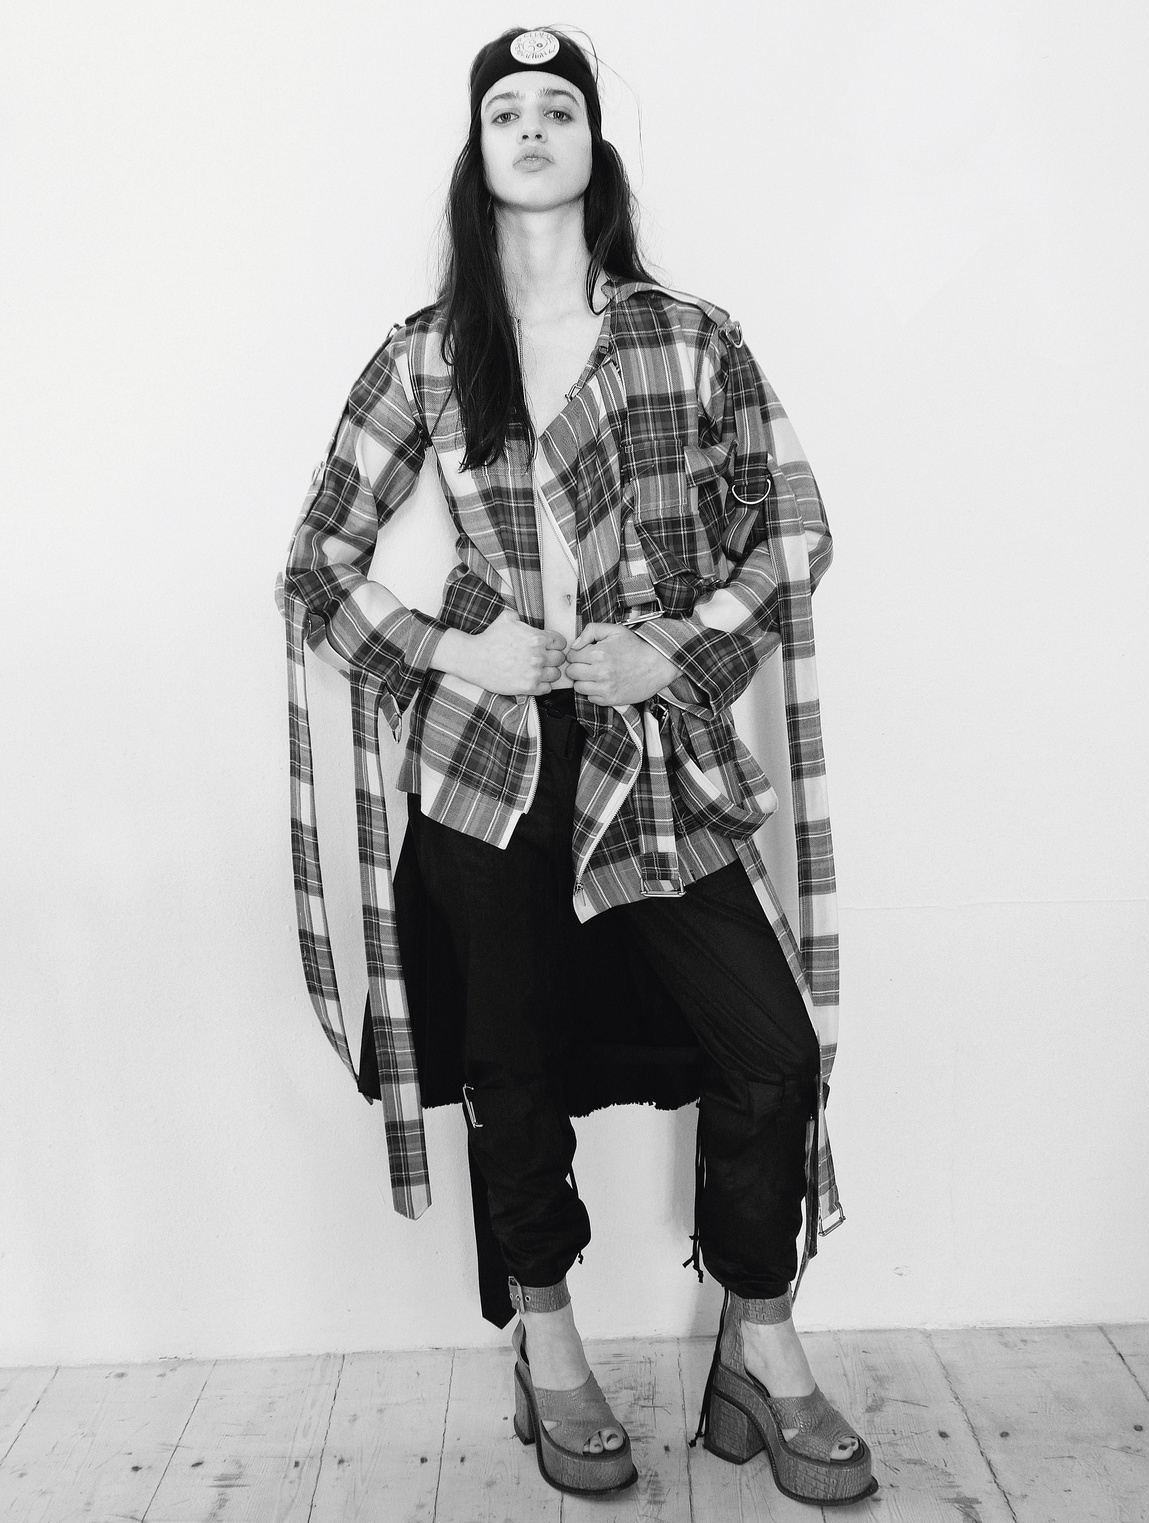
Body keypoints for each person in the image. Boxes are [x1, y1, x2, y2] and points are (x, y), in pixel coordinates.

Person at [276, 25, 876, 1506]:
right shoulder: (428, 354)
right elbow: (317, 567)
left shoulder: (688, 336)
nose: (533, 126)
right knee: (514, 1068)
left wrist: (676, 651)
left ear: (595, 149)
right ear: (476, 151)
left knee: (770, 1051)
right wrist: (451, 650)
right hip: (489, 768)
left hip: (655, 759)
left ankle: (759, 1340)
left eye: (560, 107)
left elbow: (793, 529)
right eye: (507, 109)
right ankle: (548, 1344)